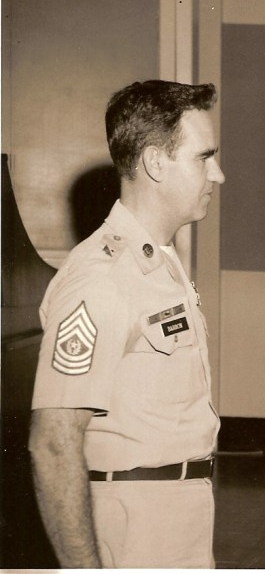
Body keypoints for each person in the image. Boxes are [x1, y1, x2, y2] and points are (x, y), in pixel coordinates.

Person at [28, 80, 225, 568]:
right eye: (204, 157)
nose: (217, 174)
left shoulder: (159, 259)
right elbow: (53, 443)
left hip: (179, 512)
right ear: (156, 162)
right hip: (136, 525)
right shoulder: (101, 279)